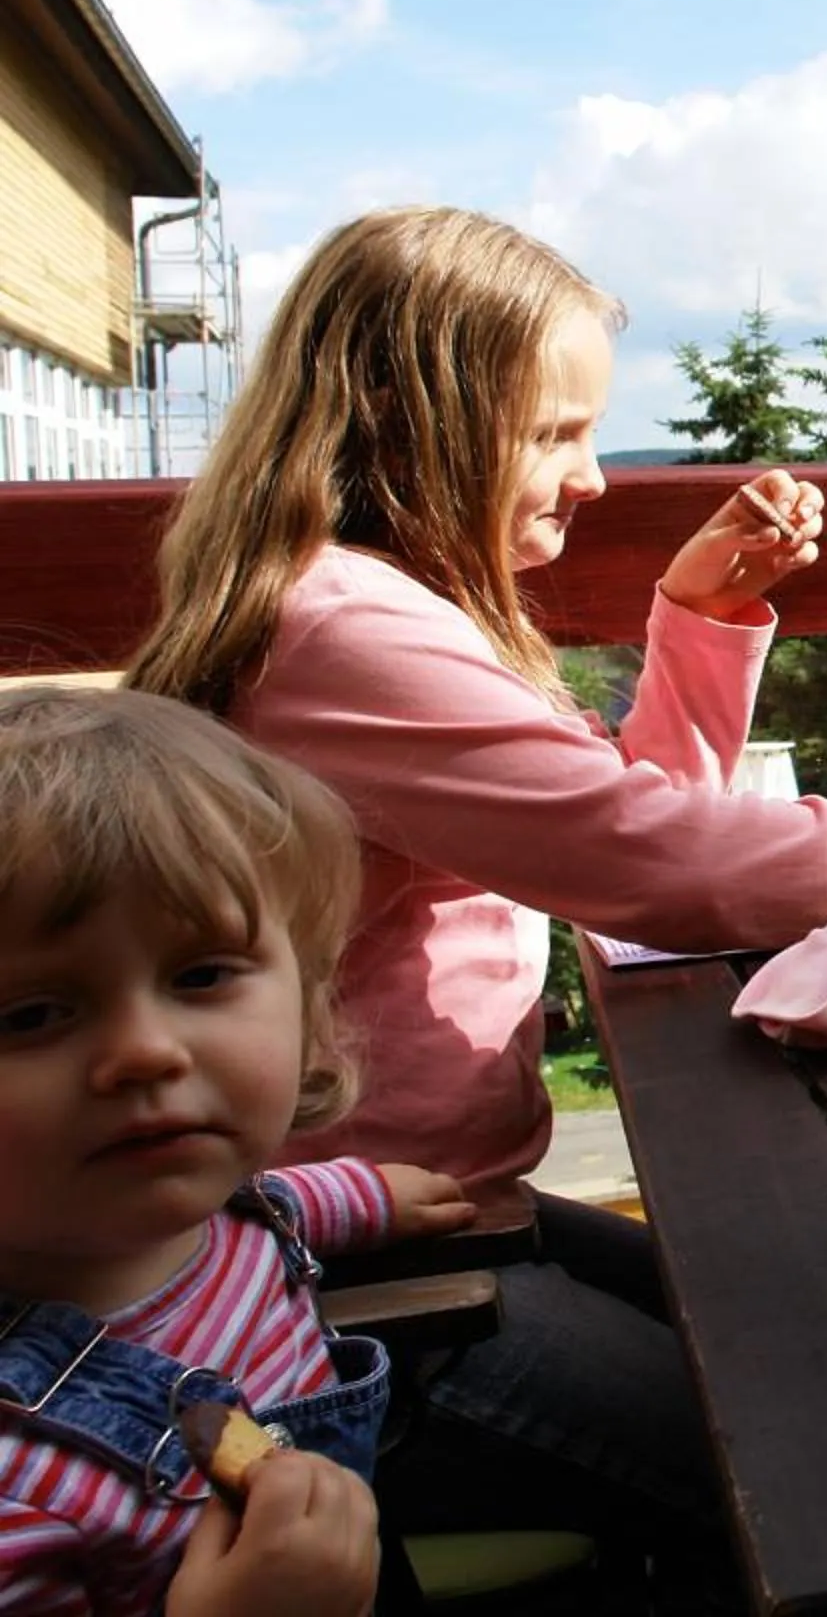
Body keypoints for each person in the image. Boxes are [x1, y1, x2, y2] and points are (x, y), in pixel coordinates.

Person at [124, 205, 827, 1597]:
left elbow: (601, 839)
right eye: (557, 435)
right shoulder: (345, 631)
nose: (598, 478)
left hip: (416, 1216)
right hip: (337, 1300)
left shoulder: (362, 604)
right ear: (413, 422)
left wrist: (699, 620)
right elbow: (646, 861)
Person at [0, 685, 476, 1616]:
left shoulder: (199, 1205)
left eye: (201, 974)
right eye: (29, 1014)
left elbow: (269, 1212)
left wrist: (364, 1198)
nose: (146, 1050)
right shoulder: (19, 1484)